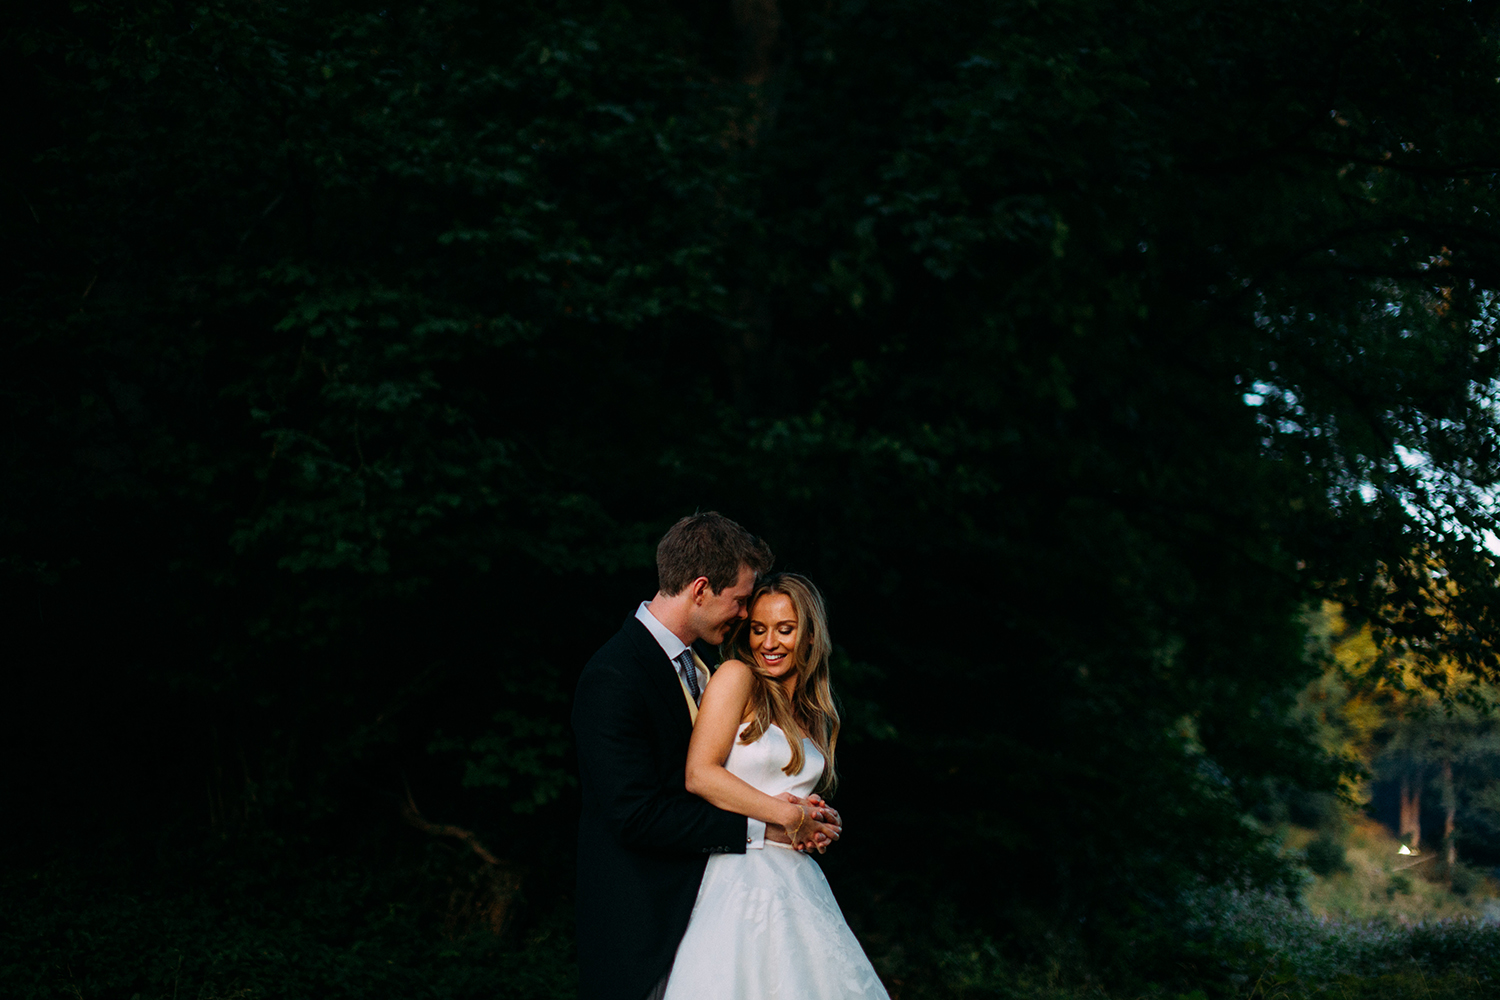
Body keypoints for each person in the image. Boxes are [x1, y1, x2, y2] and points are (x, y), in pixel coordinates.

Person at [572, 514, 841, 1000]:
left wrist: (803, 814)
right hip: (645, 927)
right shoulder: (614, 676)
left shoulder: (702, 666)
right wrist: (771, 825)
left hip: (715, 908)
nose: (743, 616)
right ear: (700, 589)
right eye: (740, 602)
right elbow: (636, 815)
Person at [663, 572, 890, 1000]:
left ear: (809, 636)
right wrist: (790, 815)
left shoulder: (815, 712)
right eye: (759, 629)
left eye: (785, 630)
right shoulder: (737, 677)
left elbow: (790, 791)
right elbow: (701, 774)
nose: (769, 643)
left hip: (799, 885)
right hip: (739, 875)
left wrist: (819, 820)